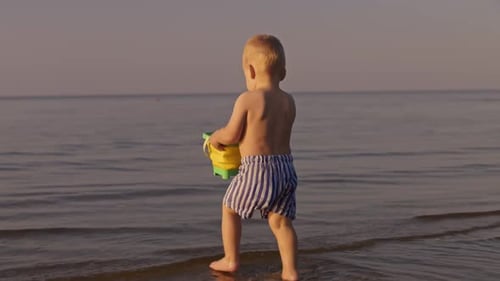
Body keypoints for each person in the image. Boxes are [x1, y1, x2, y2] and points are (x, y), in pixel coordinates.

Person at [208, 34, 298, 281]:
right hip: (286, 168)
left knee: (229, 209)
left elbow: (232, 134)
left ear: (250, 70)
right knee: (282, 223)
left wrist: (215, 137)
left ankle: (231, 259)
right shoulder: (289, 101)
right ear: (284, 72)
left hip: (258, 169)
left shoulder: (248, 99)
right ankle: (290, 271)